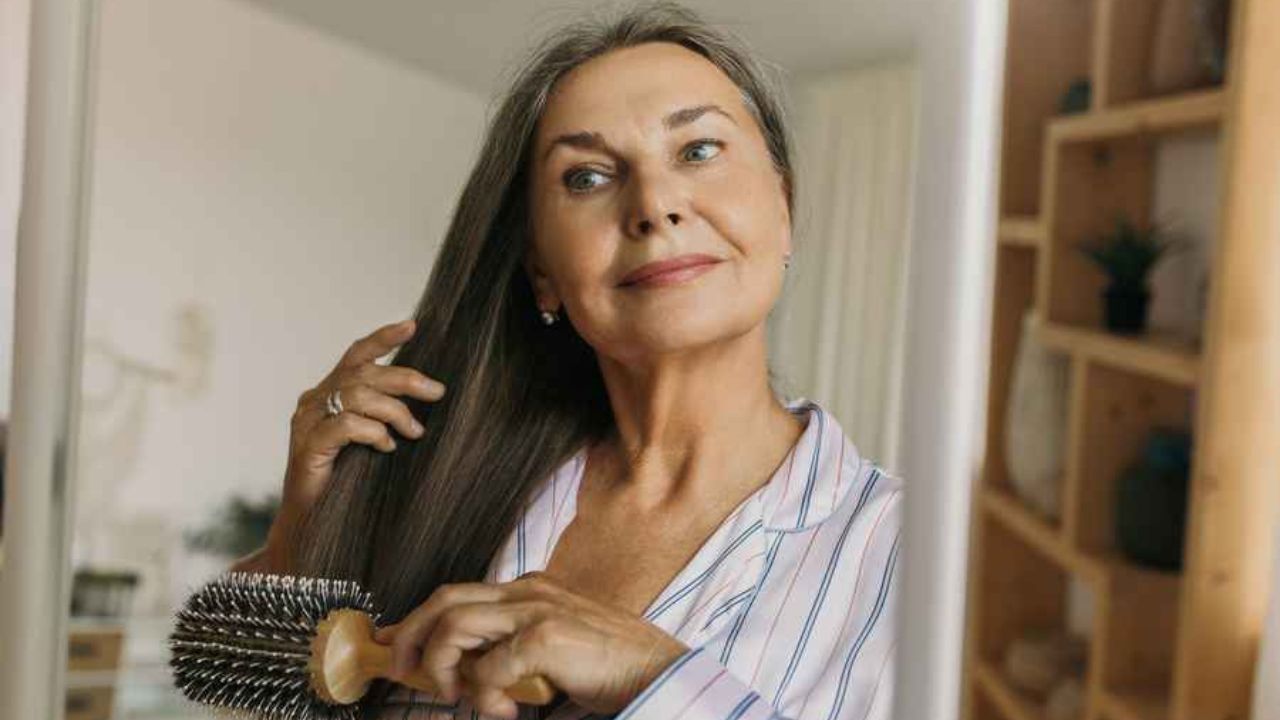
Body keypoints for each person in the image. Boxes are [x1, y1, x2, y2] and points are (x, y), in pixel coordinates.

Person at [233, 3, 902, 718]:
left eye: (699, 150)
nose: (654, 204)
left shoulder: (913, 558)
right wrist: (305, 526)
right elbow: (238, 695)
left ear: (784, 207)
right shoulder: (445, 481)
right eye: (586, 177)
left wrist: (650, 676)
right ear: (542, 268)